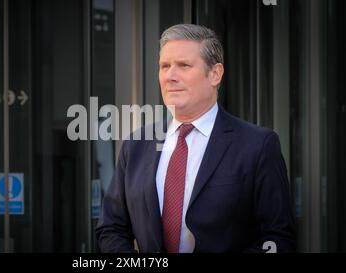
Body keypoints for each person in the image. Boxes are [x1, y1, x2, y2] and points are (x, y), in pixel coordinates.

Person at [95, 24, 296, 253]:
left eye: (183, 66)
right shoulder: (136, 145)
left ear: (215, 74)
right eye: (165, 66)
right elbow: (111, 229)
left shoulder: (258, 145)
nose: (170, 76)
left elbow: (278, 238)